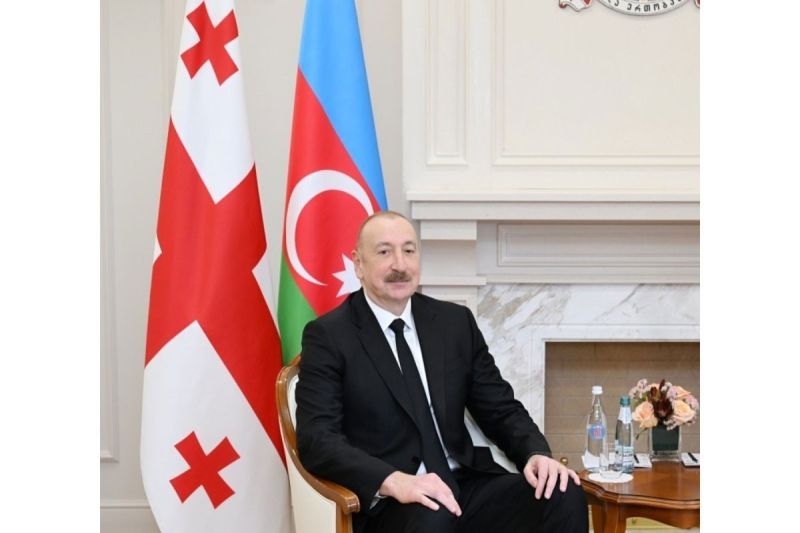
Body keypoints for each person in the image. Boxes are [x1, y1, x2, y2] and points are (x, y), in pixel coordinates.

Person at [295, 211, 588, 533]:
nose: (400, 264)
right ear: (358, 264)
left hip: (464, 484)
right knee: (434, 518)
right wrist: (392, 480)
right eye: (384, 252)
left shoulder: (453, 322)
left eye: (409, 250)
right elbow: (317, 439)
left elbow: (499, 407)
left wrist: (535, 453)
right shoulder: (329, 336)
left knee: (563, 493)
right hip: (395, 501)